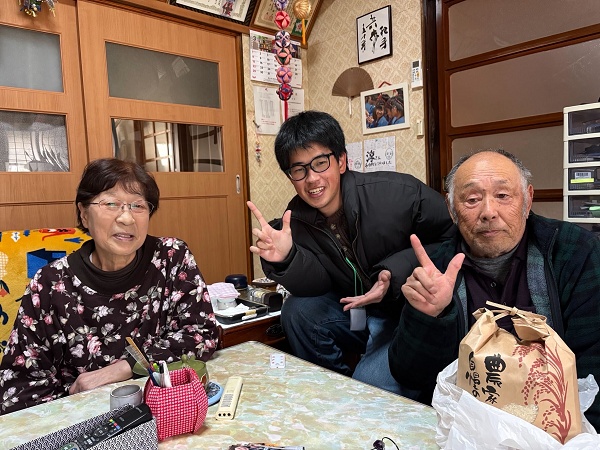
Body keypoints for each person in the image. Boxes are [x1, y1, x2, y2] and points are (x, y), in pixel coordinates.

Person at [388, 149, 600, 430]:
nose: (488, 212)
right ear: (452, 210)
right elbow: (410, 376)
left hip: (555, 425)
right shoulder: (437, 268)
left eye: (502, 195)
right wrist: (430, 317)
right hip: (464, 425)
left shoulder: (575, 252)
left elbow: (594, 367)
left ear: (527, 200)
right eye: (472, 199)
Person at [247, 110, 455, 393]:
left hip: (405, 314)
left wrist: (393, 274)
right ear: (290, 176)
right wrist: (288, 258)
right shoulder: (295, 219)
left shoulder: (397, 193)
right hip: (356, 313)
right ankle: (334, 391)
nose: (311, 178)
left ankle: (360, 389)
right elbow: (318, 283)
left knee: (370, 389)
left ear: (342, 160)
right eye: (299, 169)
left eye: (320, 163)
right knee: (296, 311)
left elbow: (450, 237)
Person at [0, 158, 218, 415]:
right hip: (84, 420)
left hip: (166, 411)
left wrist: (125, 367)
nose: (126, 218)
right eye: (111, 204)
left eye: (138, 205)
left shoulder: (172, 257)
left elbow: (202, 334)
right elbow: (18, 391)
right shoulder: (50, 284)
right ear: (84, 213)